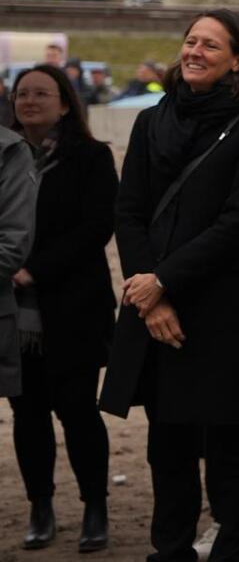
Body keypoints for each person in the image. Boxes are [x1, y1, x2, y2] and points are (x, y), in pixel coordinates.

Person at [99, 9, 239, 562]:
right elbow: (128, 213)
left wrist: (163, 281)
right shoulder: (153, 120)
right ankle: (171, 550)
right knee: (168, 447)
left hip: (225, 309)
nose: (194, 51)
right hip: (157, 308)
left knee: (232, 448)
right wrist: (148, 293)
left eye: (210, 44)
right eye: (189, 41)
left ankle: (233, 550)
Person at [7, 66, 117, 553]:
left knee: (77, 411)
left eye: (41, 93)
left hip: (73, 306)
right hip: (13, 310)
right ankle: (41, 507)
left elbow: (97, 226)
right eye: (21, 94)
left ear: (66, 102)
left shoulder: (91, 157)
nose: (29, 101)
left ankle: (95, 508)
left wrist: (36, 271)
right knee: (27, 414)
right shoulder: (5, 156)